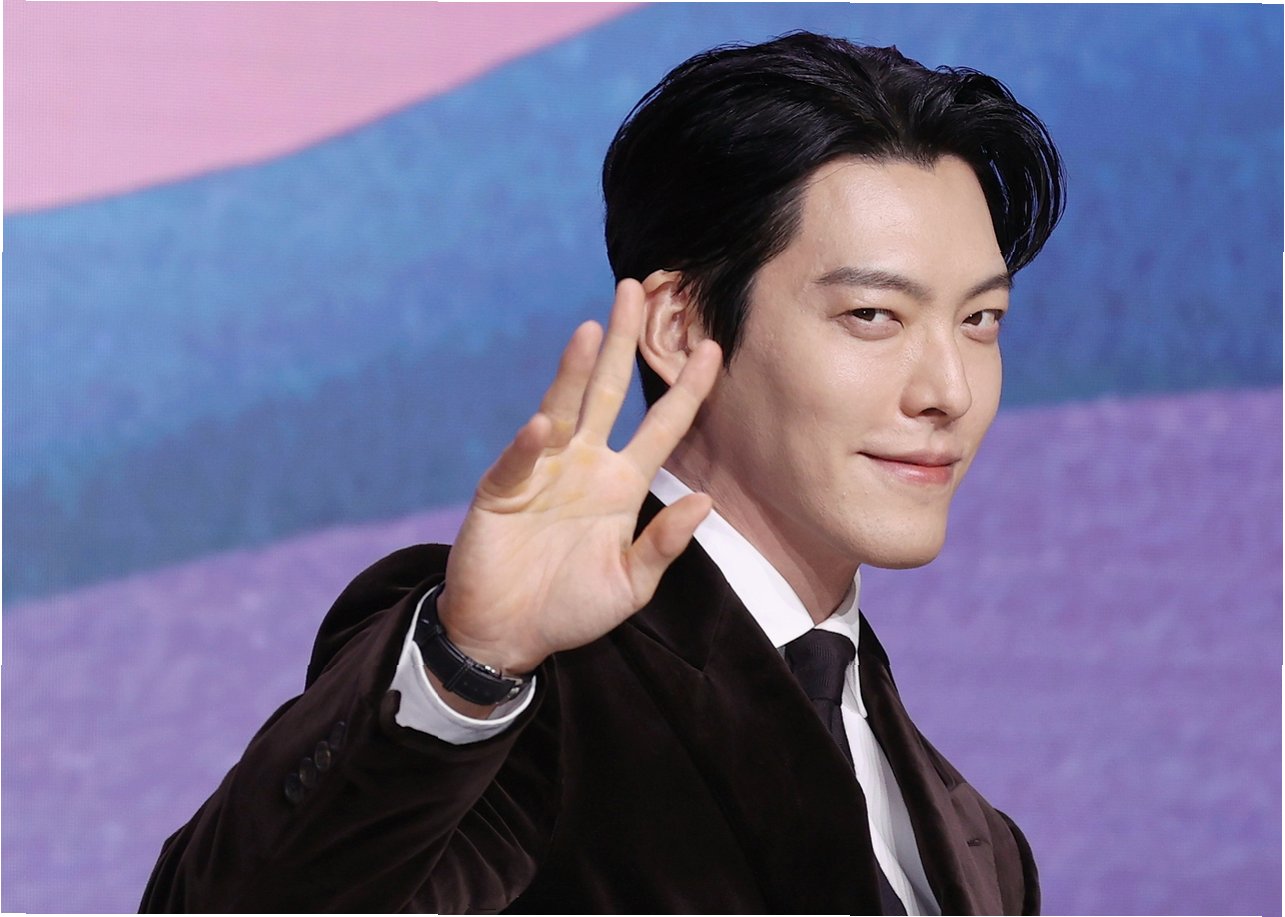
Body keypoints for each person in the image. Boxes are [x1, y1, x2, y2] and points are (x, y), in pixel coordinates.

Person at [141, 32, 1063, 914]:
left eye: (980, 320)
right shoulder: (524, 687)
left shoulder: (980, 846)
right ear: (680, 327)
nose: (948, 390)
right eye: (872, 315)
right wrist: (469, 663)